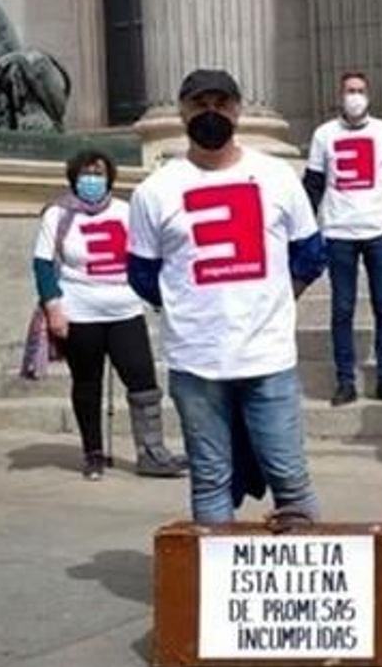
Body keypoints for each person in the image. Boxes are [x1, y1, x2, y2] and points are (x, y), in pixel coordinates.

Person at [128, 69, 326, 525]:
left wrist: (274, 298)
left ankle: (302, 586)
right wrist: (191, 305)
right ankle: (218, 589)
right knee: (210, 477)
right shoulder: (156, 190)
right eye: (200, 104)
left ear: (237, 110)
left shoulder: (276, 176)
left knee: (290, 478)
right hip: (197, 359)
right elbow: (141, 273)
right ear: (182, 111)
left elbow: (310, 255)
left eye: (221, 103)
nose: (211, 113)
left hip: (267, 355)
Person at [32, 150, 186, 481]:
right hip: (79, 310)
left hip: (125, 309)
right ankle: (93, 452)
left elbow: (147, 254)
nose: (92, 180)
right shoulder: (57, 215)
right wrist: (52, 305)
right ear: (74, 178)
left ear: (110, 178)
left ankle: (152, 451)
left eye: (99, 173)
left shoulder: (126, 210)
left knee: (142, 380)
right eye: (86, 174)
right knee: (87, 383)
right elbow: (43, 264)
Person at [304, 71, 382, 406]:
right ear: (340, 96)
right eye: (350, 91)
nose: (355, 96)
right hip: (338, 232)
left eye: (360, 90)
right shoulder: (324, 134)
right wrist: (307, 226)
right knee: (342, 308)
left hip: (378, 232)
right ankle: (345, 380)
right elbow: (313, 185)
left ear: (369, 95)